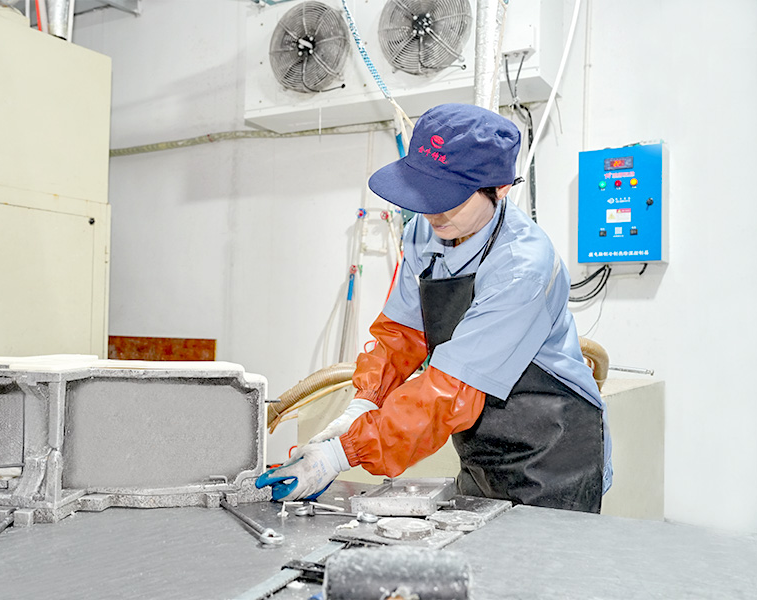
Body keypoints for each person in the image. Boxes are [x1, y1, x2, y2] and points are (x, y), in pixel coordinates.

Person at [256, 103, 612, 513]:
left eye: (450, 197)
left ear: (500, 188)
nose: (432, 211)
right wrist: (363, 404)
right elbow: (400, 335)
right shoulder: (424, 232)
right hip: (481, 442)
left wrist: (343, 453)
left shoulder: (521, 267)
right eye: (426, 192)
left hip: (552, 446)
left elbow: (450, 391)